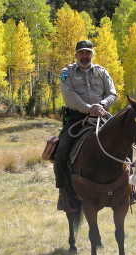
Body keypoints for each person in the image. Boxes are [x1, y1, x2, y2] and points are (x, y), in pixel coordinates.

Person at [54, 40, 117, 210]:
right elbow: (68, 95)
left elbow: (112, 93)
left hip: (101, 116)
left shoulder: (102, 72)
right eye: (81, 53)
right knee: (61, 150)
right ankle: (63, 193)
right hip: (76, 118)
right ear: (76, 55)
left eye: (88, 52)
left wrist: (101, 104)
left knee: (123, 141)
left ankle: (128, 188)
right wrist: (89, 108)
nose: (84, 56)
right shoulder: (66, 73)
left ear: (92, 54)